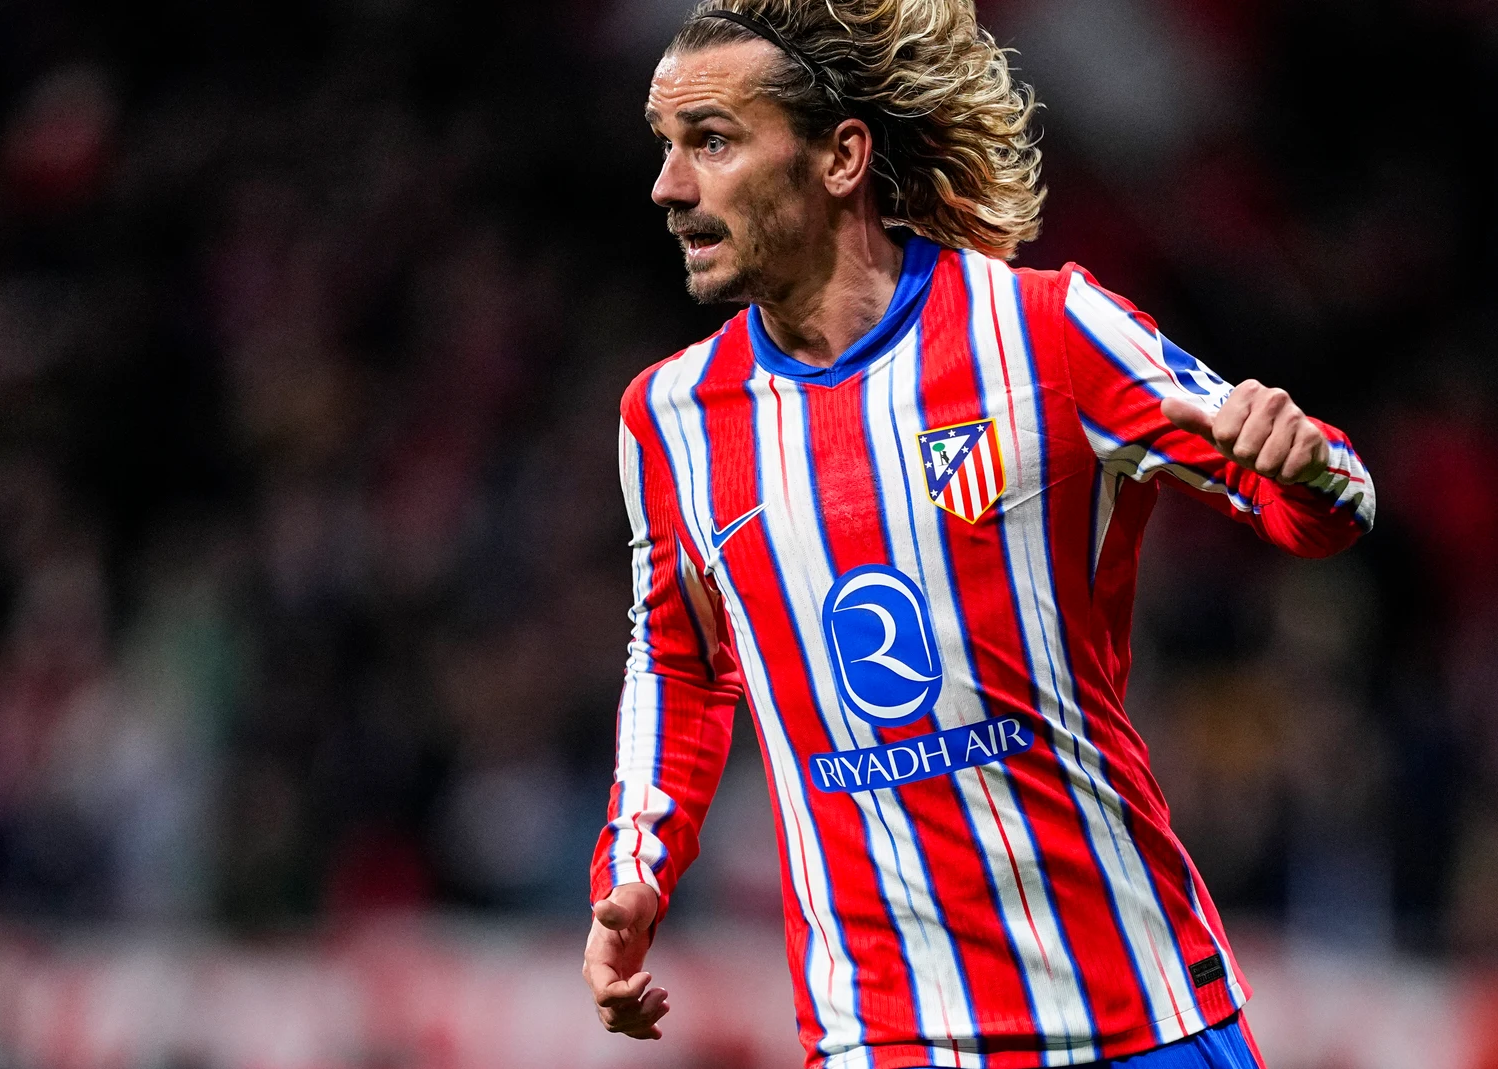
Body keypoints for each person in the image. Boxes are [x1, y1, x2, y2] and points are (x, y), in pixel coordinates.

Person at [579, 3, 1375, 1067]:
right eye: (665, 147)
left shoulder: (1045, 331)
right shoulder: (670, 418)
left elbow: (1326, 503)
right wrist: (634, 869)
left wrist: (1307, 460)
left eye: (711, 142)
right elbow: (677, 660)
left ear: (841, 158)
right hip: (882, 1032)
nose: (668, 186)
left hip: (1132, 1010)